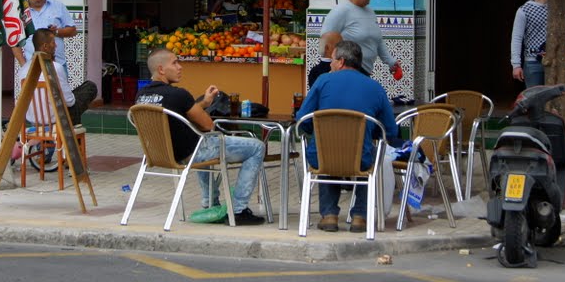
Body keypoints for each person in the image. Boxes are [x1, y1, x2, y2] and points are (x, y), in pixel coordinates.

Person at [135, 48, 265, 226]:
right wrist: (202, 109)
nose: (180, 67)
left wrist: (204, 103)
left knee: (201, 141)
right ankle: (238, 209)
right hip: (191, 155)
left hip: (160, 154)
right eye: (175, 63)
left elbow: (181, 112)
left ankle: (209, 204)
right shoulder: (179, 94)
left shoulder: (140, 96)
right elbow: (207, 125)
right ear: (161, 69)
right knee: (256, 146)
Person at [296, 40, 399, 234]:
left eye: (332, 60)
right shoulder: (375, 87)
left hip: (322, 157)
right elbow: (390, 130)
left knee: (326, 148)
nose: (330, 65)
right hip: (360, 157)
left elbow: (302, 119)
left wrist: (319, 130)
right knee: (370, 154)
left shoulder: (323, 81)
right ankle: (360, 217)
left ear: (341, 61)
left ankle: (329, 215)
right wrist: (367, 133)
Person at [12, 0, 97, 106]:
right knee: (40, 102)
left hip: (58, 63)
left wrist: (56, 32)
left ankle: (55, 123)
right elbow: (14, 41)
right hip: (32, 66)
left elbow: (73, 31)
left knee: (60, 100)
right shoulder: (21, 12)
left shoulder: (57, 6)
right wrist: (24, 64)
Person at [321, 0, 401, 78]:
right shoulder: (341, 11)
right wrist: (330, 68)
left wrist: (391, 62)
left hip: (365, 72)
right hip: (347, 72)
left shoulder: (370, 12)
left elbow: (378, 41)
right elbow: (325, 39)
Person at [17, 28, 95, 124]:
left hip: (32, 120)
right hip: (56, 119)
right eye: (53, 42)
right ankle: (71, 135)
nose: (56, 45)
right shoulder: (56, 68)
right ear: (45, 46)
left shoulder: (23, 70)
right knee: (90, 87)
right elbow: (69, 102)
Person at [511, 0, 549, 87]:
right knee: (534, 99)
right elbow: (517, 38)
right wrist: (516, 65)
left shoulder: (556, 9)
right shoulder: (524, 10)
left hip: (553, 62)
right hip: (533, 62)